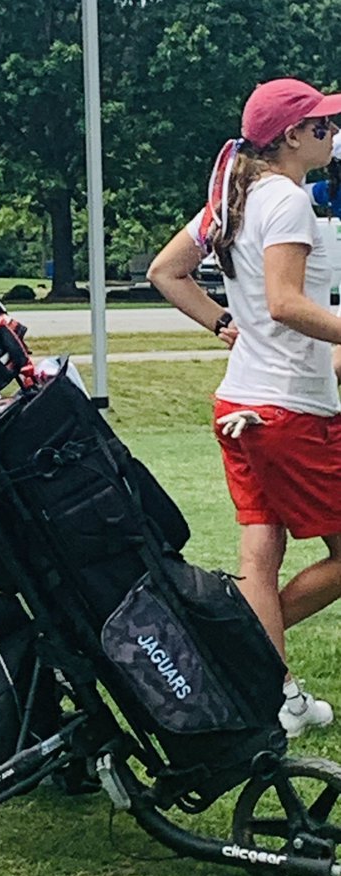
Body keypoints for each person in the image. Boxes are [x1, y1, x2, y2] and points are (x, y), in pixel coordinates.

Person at [148, 77, 341, 739]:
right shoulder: (284, 199)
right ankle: (239, 655)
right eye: (322, 125)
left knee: (259, 557)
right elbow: (287, 302)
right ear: (292, 137)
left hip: (242, 401)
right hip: (289, 409)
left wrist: (223, 323)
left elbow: (165, 271)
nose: (333, 133)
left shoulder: (236, 195)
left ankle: (277, 695)